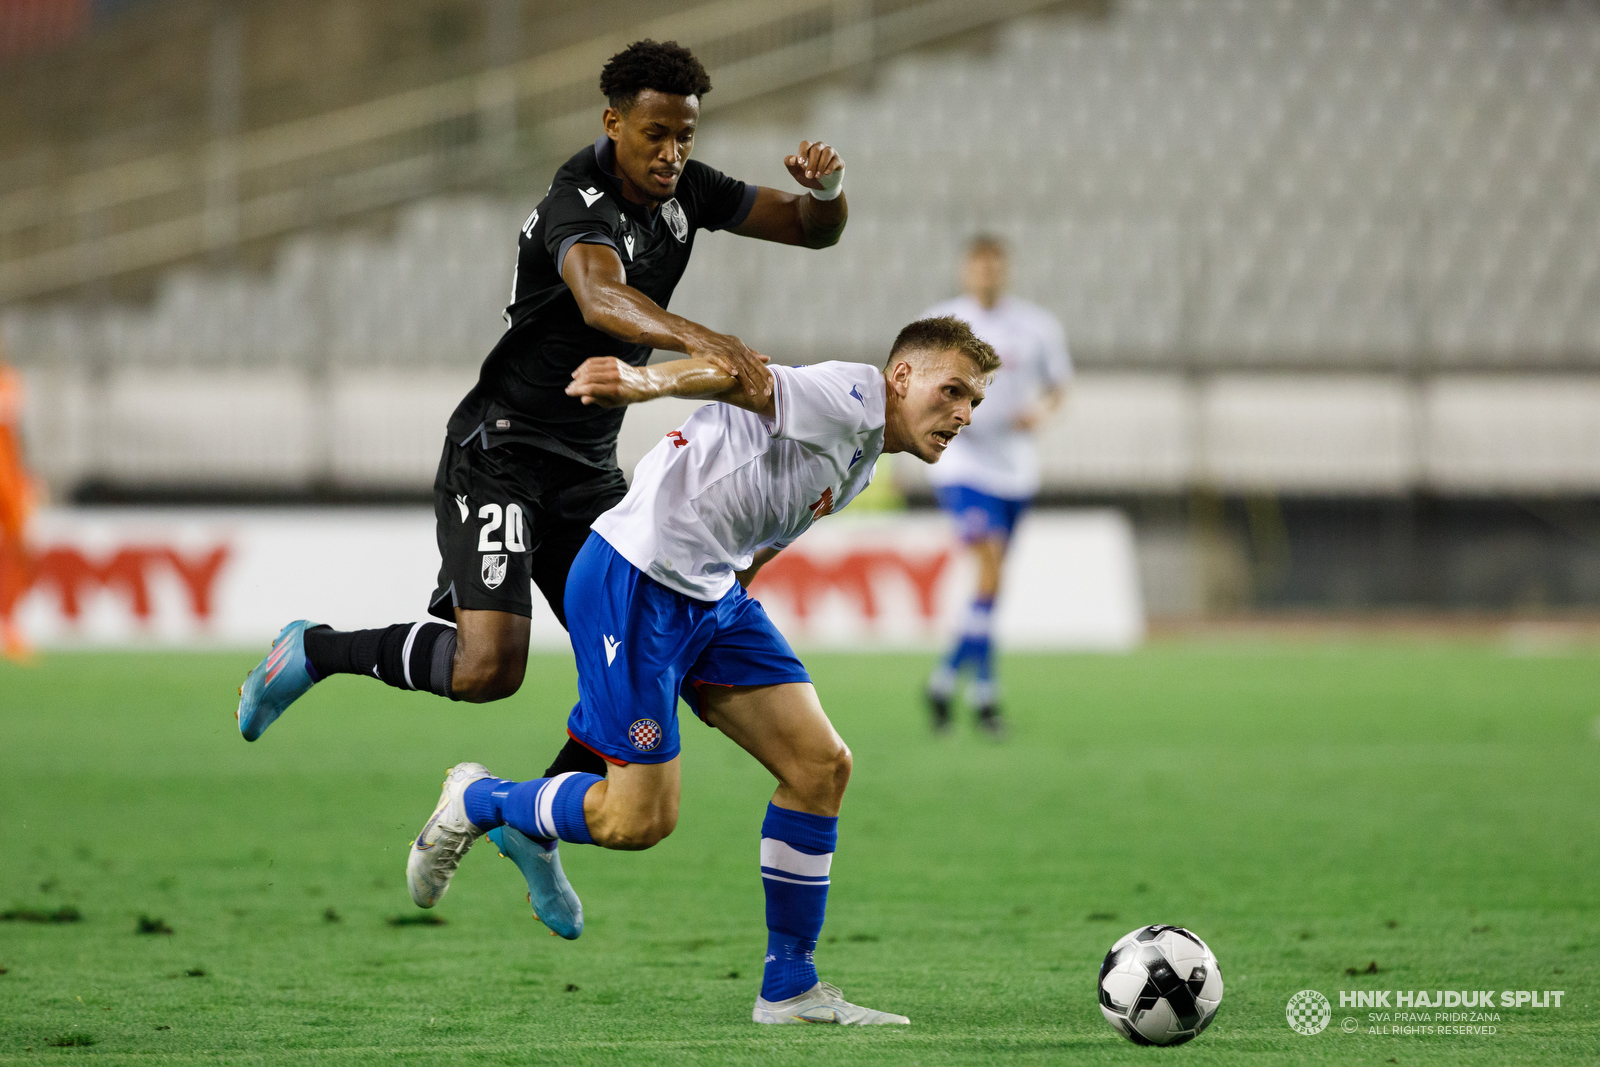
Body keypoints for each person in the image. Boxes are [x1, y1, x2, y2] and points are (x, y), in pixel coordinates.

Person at [236, 42, 846, 748]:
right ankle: (313, 650)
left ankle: (534, 823)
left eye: (685, 136)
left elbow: (809, 229)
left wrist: (826, 192)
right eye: (656, 134)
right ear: (613, 123)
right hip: (501, 451)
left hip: (588, 471)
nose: (672, 153)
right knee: (489, 667)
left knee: (641, 662)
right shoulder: (577, 197)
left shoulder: (689, 191)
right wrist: (700, 339)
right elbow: (600, 297)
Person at [403, 317, 998, 1025]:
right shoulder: (847, 395)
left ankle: (789, 987)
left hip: (711, 594)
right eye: (952, 390)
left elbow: (763, 533)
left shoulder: (867, 450)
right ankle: (482, 800)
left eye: (974, 403)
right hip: (639, 579)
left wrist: (728, 618)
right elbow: (735, 373)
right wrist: (642, 380)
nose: (962, 413)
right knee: (639, 819)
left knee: (820, 766)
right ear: (902, 377)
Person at [920, 235, 1070, 735]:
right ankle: (985, 696)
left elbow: (1058, 387)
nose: (987, 275)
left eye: (995, 267)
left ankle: (944, 680)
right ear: (966, 271)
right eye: (979, 267)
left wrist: (1040, 415)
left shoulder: (1035, 326)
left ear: (1005, 271)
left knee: (991, 584)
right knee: (987, 571)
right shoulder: (942, 325)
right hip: (963, 461)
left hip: (1016, 467)